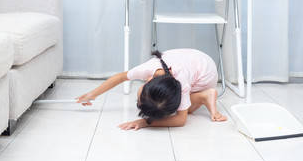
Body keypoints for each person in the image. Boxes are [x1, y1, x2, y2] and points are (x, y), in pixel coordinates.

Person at [76, 48, 227, 131]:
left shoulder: (182, 81)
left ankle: (205, 95)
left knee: (187, 110)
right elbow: (121, 77)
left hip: (206, 73)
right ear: (148, 80)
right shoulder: (146, 70)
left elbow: (181, 119)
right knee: (175, 106)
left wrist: (144, 122)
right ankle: (203, 97)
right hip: (195, 57)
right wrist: (92, 94)